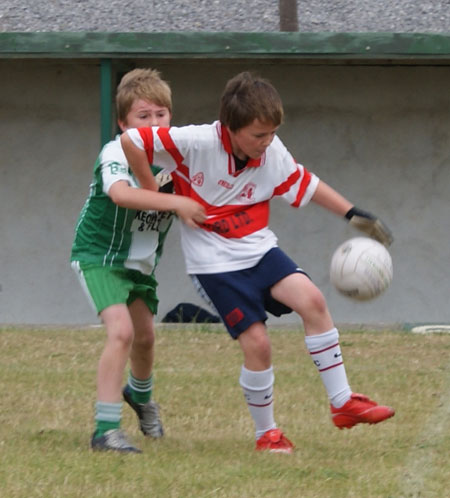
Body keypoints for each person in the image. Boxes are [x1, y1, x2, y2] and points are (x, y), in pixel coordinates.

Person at [120, 71, 395, 454]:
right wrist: (160, 195)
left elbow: (305, 182)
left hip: (259, 249)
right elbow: (130, 140)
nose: (267, 143)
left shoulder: (271, 150)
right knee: (258, 344)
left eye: (271, 134)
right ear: (231, 129)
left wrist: (353, 214)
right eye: (258, 135)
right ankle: (267, 434)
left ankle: (343, 402)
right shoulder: (195, 141)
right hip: (213, 264)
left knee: (313, 300)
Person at [71, 68, 205, 453]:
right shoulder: (115, 150)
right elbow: (121, 195)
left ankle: (141, 397)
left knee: (145, 338)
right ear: (123, 122)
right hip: (99, 255)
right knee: (122, 333)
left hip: (140, 266)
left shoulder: (178, 157)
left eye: (160, 115)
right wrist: (176, 201)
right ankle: (105, 430)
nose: (153, 123)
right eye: (142, 117)